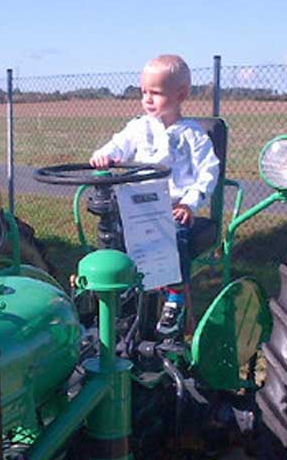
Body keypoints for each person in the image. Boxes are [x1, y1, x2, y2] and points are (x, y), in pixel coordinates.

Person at [90, 54, 220, 336]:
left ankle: (175, 296)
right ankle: (125, 287)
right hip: (136, 206)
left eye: (156, 93)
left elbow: (208, 172)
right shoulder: (138, 127)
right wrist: (103, 157)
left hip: (172, 207)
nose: (147, 99)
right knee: (113, 237)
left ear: (181, 95)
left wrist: (189, 202)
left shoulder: (192, 134)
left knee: (174, 237)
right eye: (144, 92)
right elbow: (115, 146)